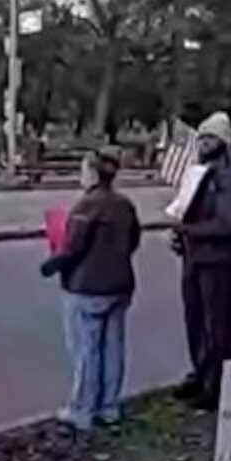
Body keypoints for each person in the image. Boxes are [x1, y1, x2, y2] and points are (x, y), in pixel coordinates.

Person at [39, 147, 141, 432]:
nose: (81, 175)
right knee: (113, 347)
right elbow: (133, 241)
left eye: (84, 169)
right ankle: (109, 406)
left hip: (87, 287)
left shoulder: (86, 206)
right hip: (120, 284)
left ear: (94, 174)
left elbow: (73, 248)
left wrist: (51, 265)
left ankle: (83, 408)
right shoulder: (125, 205)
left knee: (86, 350)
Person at [170, 112, 231, 411]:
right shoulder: (197, 174)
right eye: (202, 137)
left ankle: (218, 383)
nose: (204, 143)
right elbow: (187, 213)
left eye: (211, 138)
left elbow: (227, 224)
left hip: (221, 261)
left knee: (217, 323)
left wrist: (188, 231)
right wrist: (180, 236)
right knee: (194, 319)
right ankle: (201, 371)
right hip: (194, 258)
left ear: (224, 142)